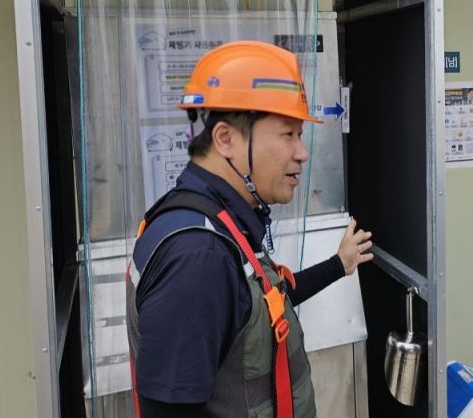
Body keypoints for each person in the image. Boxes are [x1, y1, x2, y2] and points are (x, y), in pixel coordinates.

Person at [126, 41, 373, 418]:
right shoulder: (198, 257)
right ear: (226, 139)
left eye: (300, 136)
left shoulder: (221, 224)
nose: (302, 152)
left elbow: (261, 304)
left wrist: (339, 264)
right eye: (288, 134)